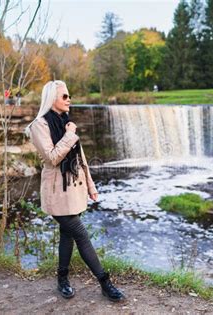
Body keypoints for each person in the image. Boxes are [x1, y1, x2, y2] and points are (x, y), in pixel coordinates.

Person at [25, 80, 125, 302]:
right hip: (57, 193)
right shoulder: (39, 126)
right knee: (81, 234)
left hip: (74, 189)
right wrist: (70, 135)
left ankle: (62, 280)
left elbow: (81, 159)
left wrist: (91, 186)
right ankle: (105, 282)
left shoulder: (65, 121)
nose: (69, 99)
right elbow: (52, 158)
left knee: (67, 235)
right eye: (65, 96)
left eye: (69, 96)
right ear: (52, 99)